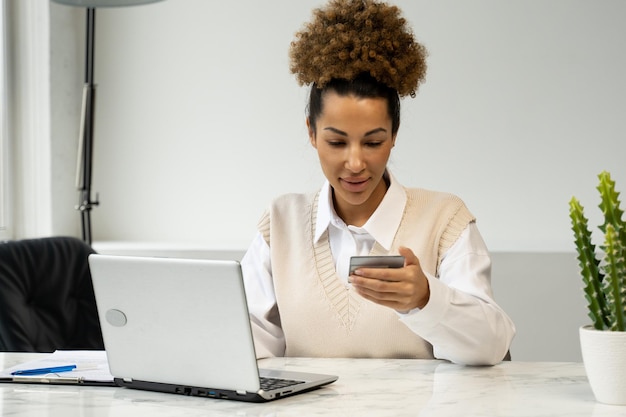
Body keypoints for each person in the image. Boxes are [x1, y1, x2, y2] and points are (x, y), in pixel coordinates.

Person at [241, 0, 515, 366]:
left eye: (373, 142)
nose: (355, 163)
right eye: (337, 142)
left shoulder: (445, 220)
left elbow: (492, 346)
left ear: (395, 134)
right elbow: (245, 347)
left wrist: (426, 299)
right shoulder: (280, 223)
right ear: (311, 132)